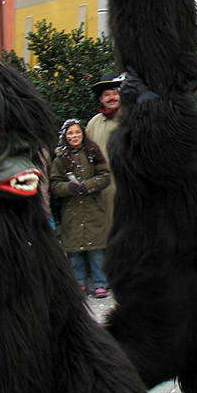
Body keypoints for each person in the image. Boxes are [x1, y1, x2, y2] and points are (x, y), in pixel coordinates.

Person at [50, 118, 111, 298]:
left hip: (93, 208)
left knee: (97, 250)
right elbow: (54, 184)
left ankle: (100, 283)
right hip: (72, 210)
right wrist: (68, 188)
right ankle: (79, 283)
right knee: (75, 253)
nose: (74, 136)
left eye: (77, 132)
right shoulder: (60, 159)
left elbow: (105, 176)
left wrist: (89, 185)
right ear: (65, 136)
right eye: (70, 133)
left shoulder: (92, 152)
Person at [85, 73, 121, 237]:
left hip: (129, 189)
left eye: (114, 93)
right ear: (100, 99)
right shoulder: (93, 124)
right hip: (104, 192)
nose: (111, 97)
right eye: (107, 95)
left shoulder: (133, 118)